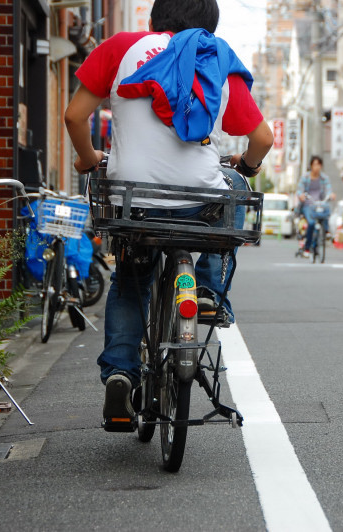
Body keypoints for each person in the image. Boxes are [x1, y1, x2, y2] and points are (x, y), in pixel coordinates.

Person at [64, 0, 273, 426]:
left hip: (134, 202)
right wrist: (248, 166)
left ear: (152, 20)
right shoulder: (217, 58)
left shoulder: (121, 47)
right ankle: (208, 291)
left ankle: (120, 374)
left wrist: (87, 158)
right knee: (235, 186)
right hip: (198, 202)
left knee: (130, 280)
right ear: (210, 26)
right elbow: (263, 140)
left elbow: (74, 116)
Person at [296, 155, 335, 258]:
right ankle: (307, 248)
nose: (316, 167)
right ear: (311, 166)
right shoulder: (305, 177)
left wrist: (331, 195)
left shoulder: (324, 178)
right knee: (312, 223)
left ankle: (326, 231)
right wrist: (301, 195)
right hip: (308, 205)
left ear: (321, 166)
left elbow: (328, 189)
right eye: (314, 164)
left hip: (320, 203)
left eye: (318, 164)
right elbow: (299, 190)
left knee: (326, 210)